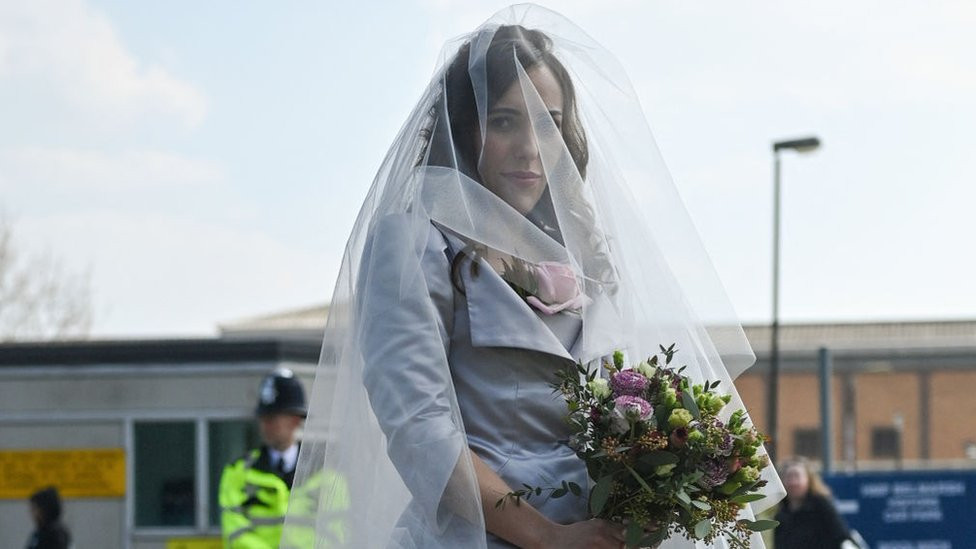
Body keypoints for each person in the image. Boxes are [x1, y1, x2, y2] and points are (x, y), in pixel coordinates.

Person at [285, 5, 784, 548]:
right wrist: (545, 537)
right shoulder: (412, 243)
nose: (530, 147)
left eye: (548, 122)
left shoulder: (588, 259)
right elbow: (419, 431)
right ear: (464, 129)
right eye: (505, 120)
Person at [219, 367, 340, 548]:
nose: (265, 425)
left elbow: (337, 532)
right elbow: (235, 532)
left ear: (295, 420)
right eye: (263, 417)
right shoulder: (237, 473)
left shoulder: (328, 475)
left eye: (273, 418)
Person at [774, 458, 853, 549]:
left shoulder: (822, 505)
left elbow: (842, 536)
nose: (793, 482)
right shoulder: (780, 513)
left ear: (809, 480)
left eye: (797, 476)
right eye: (789, 477)